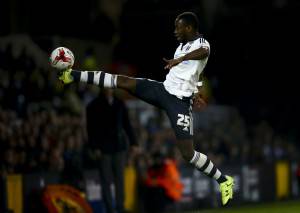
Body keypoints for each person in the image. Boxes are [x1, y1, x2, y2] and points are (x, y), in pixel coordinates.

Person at [58, 11, 234, 205]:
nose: (175, 31)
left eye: (179, 27)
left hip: (179, 103)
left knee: (188, 154)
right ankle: (72, 75)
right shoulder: (181, 47)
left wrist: (181, 63)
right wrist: (196, 91)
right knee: (123, 82)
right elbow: (191, 74)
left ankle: (224, 180)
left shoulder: (202, 44)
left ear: (190, 28)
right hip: (163, 90)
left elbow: (204, 54)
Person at [86, 89, 138, 213]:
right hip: (103, 148)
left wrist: (134, 142)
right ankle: (110, 209)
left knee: (120, 179)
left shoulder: (120, 103)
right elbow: (91, 129)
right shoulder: (93, 105)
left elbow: (127, 124)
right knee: (106, 181)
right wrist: (95, 147)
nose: (108, 88)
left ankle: (120, 207)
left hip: (119, 147)